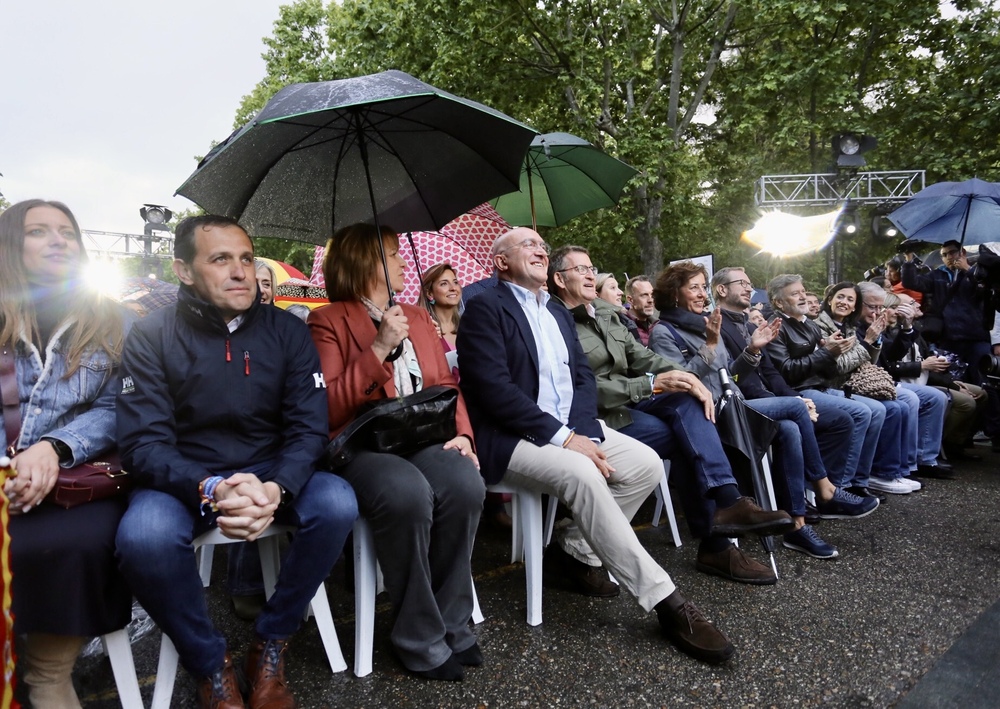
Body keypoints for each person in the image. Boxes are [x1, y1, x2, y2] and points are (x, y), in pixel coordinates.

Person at [459, 228, 795, 666]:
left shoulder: (557, 313)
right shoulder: (486, 307)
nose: (541, 249)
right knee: (584, 474)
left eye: (543, 245)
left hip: (571, 427)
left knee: (646, 464)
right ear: (501, 262)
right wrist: (564, 438)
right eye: (529, 245)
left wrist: (585, 432)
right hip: (513, 437)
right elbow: (493, 390)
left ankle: (574, 548)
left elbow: (581, 377)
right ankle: (667, 602)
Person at [116, 215, 358, 709]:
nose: (241, 271)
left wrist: (278, 488)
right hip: (185, 477)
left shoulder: (289, 331)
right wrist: (211, 486)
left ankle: (270, 643)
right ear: (184, 271)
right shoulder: (150, 334)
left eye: (246, 258)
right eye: (221, 259)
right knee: (142, 538)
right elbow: (143, 443)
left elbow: (308, 428)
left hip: (271, 469)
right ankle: (209, 663)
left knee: (336, 503)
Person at [546, 246, 803, 581]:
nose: (591, 274)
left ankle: (727, 510)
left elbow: (643, 358)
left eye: (592, 267)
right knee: (690, 432)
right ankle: (718, 539)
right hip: (594, 418)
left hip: (629, 408)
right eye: (581, 269)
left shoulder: (607, 315)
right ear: (559, 279)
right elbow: (580, 389)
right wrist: (655, 385)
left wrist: (685, 379)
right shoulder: (552, 320)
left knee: (687, 406)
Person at [308, 224, 485, 682]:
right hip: (364, 446)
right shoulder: (327, 320)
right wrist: (380, 346)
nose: (403, 261)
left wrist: (463, 434)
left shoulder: (417, 314)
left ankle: (452, 621)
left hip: (422, 436)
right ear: (364, 262)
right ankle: (417, 635)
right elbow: (329, 407)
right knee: (406, 493)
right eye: (391, 254)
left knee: (465, 483)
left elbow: (446, 384)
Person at [0, 199, 133, 708]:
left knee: (82, 544)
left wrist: (55, 447)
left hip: (79, 479)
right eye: (39, 231)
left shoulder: (115, 320)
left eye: (67, 232)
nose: (58, 240)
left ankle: (48, 675)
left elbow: (122, 403)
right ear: (12, 246)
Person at [650, 263, 875, 559]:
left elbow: (729, 374)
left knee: (791, 428)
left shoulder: (707, 321)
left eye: (702, 287)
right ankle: (826, 490)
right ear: (673, 294)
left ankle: (797, 525)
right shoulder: (664, 331)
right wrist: (711, 344)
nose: (701, 294)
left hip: (737, 403)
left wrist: (752, 350)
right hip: (708, 416)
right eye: (693, 287)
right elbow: (681, 381)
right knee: (796, 406)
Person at [765, 274, 887, 503]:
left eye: (803, 291)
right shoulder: (777, 327)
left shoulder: (808, 324)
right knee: (859, 413)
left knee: (876, 410)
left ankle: (853, 482)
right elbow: (786, 372)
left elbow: (830, 372)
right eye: (795, 293)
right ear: (779, 302)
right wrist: (828, 353)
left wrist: (834, 353)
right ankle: (838, 487)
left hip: (820, 386)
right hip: (798, 391)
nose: (803, 297)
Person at [815, 282, 915, 495]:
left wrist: (874, 340)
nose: (844, 302)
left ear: (854, 307)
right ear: (830, 299)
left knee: (901, 405)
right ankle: (851, 482)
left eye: (850, 300)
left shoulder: (849, 326)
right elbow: (839, 367)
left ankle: (874, 476)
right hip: (834, 385)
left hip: (851, 383)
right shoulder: (820, 326)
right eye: (840, 297)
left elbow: (867, 361)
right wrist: (868, 340)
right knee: (877, 409)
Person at [856, 283, 951, 479]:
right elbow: (888, 365)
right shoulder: (859, 326)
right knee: (908, 400)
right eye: (872, 307)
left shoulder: (883, 324)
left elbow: (892, 355)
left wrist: (907, 327)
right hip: (867, 382)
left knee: (936, 397)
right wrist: (869, 340)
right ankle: (901, 466)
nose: (877, 312)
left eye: (880, 307)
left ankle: (924, 459)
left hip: (886, 380)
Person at [883, 293, 986, 462]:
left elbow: (930, 364)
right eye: (910, 303)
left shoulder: (915, 329)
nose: (917, 305)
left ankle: (954, 443)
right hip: (909, 383)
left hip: (924, 380)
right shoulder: (894, 332)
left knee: (981, 393)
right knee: (966, 402)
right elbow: (892, 366)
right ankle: (933, 444)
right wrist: (923, 367)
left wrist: (953, 383)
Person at [596, 272, 640, 340]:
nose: (621, 293)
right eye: (613, 288)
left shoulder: (626, 320)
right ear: (597, 295)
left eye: (618, 287)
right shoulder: (595, 325)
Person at [624, 275, 659, 346]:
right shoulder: (622, 327)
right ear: (630, 300)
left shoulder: (658, 325)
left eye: (652, 295)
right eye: (644, 295)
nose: (650, 300)